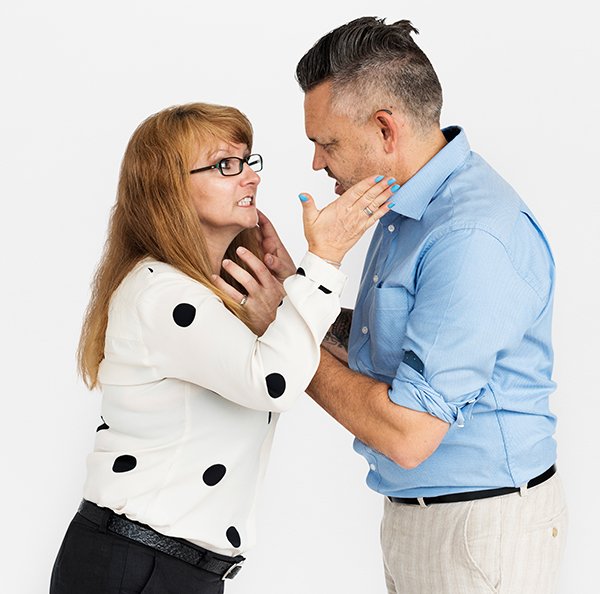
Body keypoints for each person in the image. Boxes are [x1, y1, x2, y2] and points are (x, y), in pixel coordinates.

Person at [266, 16, 567, 593]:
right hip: (430, 519)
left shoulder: (470, 234)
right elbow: (386, 347)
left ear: (385, 128)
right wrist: (290, 291)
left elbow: (408, 435)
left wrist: (281, 341)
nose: (317, 163)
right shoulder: (405, 205)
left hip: (480, 530)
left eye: (326, 143)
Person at [49, 102, 395, 593]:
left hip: (170, 566)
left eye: (247, 161)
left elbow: (290, 358)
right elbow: (274, 381)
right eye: (225, 165)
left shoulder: (212, 295)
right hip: (137, 562)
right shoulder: (162, 293)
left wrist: (290, 285)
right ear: (169, 188)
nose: (250, 177)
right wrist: (324, 259)